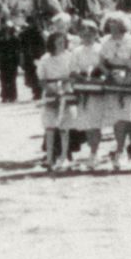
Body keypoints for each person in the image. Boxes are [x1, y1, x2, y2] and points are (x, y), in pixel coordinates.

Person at [100, 13, 131, 170]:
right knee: (117, 117)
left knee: (129, 115)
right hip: (113, 80)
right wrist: (109, 74)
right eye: (110, 23)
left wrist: (129, 76)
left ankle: (129, 147)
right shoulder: (105, 42)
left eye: (116, 22)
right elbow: (101, 62)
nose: (113, 25)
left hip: (129, 79)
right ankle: (120, 149)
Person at [70, 19, 107, 169]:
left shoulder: (100, 49)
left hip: (97, 88)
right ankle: (92, 151)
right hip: (83, 87)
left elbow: (105, 68)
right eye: (84, 34)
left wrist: (98, 77)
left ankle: (94, 152)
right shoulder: (76, 51)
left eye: (90, 34)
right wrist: (82, 77)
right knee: (86, 122)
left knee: (95, 123)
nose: (87, 37)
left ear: (95, 34)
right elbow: (72, 70)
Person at [38, 31, 77, 171]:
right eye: (58, 42)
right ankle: (49, 157)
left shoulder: (70, 57)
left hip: (66, 91)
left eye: (63, 42)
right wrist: (52, 90)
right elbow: (41, 79)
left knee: (64, 126)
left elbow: (73, 74)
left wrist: (66, 85)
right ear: (52, 42)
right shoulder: (45, 59)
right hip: (50, 92)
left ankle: (64, 156)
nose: (61, 44)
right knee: (49, 126)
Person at [0, 18, 22, 103]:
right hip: (3, 60)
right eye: (5, 28)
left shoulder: (15, 38)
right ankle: (4, 95)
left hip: (12, 61)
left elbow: (18, 49)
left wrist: (18, 61)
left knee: (12, 79)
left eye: (8, 28)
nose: (7, 29)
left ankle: (12, 95)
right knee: (3, 78)